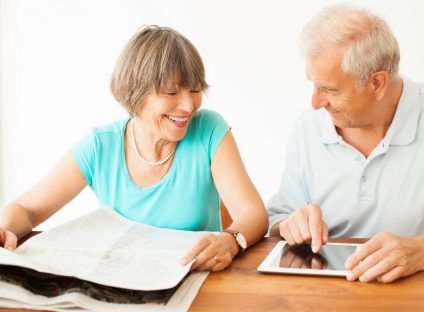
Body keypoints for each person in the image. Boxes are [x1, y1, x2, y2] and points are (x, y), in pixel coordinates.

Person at [0, 25, 268, 272]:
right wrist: (5, 229)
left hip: (196, 281)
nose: (189, 105)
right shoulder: (99, 146)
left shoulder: (209, 130)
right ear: (136, 93)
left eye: (195, 89)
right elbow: (27, 208)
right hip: (121, 284)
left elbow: (252, 213)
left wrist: (232, 240)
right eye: (172, 93)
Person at [267, 5, 424, 283]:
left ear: (377, 83)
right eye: (314, 86)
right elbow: (279, 217)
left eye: (330, 90)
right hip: (330, 297)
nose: (315, 103)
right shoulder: (308, 127)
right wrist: (291, 225)